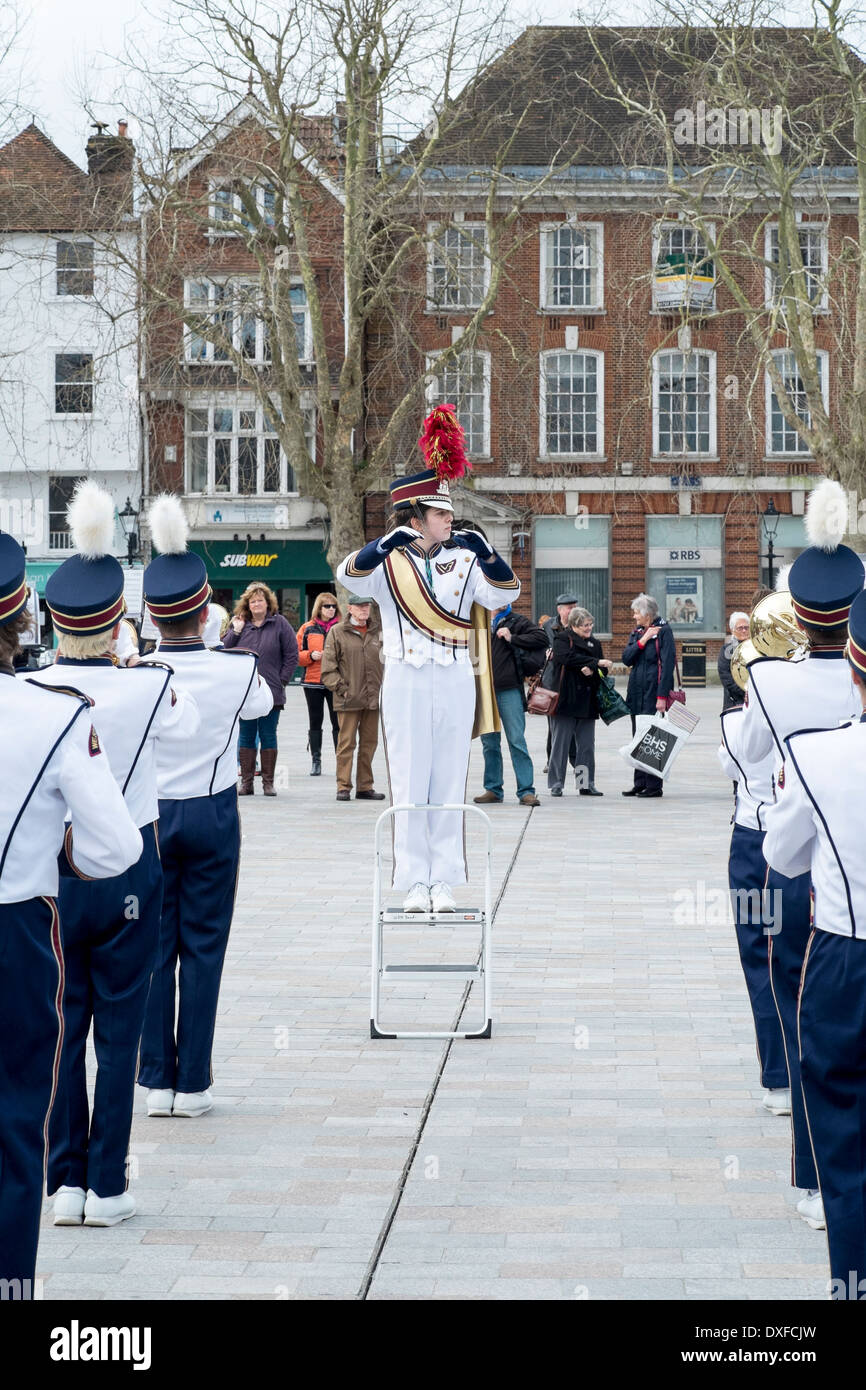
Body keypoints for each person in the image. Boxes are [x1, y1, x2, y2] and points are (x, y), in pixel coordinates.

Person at [30, 481, 200, 1230]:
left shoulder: (36, 686)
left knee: (63, 1026)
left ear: (54, 620)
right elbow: (190, 726)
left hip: (55, 876)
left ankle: (63, 1184)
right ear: (118, 623)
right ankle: (109, 1185)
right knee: (122, 1029)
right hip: (132, 865)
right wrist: (139, 657)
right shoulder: (152, 681)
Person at [0, 529, 142, 1293]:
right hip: (15, 928)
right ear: (21, 616)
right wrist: (66, 852)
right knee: (16, 1119)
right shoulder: (53, 712)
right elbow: (117, 847)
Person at [336, 403, 519, 914]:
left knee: (448, 775)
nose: (450, 519)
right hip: (407, 676)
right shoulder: (387, 563)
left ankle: (445, 879)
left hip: (456, 676)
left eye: (449, 513)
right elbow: (347, 575)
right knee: (411, 777)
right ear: (415, 517)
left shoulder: (465, 559)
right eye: (441, 513)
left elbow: (505, 594)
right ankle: (415, 879)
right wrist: (381, 543)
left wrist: (488, 554)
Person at [741, 479, 864, 1227]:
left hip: (800, 853)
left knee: (806, 1017)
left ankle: (816, 1182)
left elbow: (747, 755)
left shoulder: (767, 679)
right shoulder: (853, 687)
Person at [137, 495, 273, 1120]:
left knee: (154, 949)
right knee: (205, 949)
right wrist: (226, 640)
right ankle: (193, 1083)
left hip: (153, 817)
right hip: (214, 815)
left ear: (153, 616)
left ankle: (155, 1079)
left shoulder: (138, 672)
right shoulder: (236, 666)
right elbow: (263, 708)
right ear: (205, 609)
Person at [763, 587, 866, 1294]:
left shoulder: (819, 754)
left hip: (846, 955)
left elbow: (783, 854)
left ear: (857, 672)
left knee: (845, 1136)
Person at [718, 689, 789, 1117]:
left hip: (753, 840)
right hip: (811, 841)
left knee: (760, 958)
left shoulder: (732, 719)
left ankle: (780, 1078)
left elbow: (730, 765)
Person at [223, 583, 298, 797]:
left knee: (268, 735)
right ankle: (246, 783)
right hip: (245, 692)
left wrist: (281, 680)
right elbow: (223, 650)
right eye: (253, 601)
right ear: (247, 604)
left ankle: (268, 783)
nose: (257, 604)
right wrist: (235, 631)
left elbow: (292, 655)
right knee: (245, 736)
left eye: (260, 600)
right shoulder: (240, 624)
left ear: (268, 603)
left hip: (271, 692)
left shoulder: (280, 623)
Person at [474, 602, 546, 806]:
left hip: (509, 689)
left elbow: (542, 638)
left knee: (516, 740)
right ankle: (493, 789)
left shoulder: (516, 621)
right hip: (485, 691)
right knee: (489, 743)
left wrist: (512, 637)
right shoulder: (479, 620)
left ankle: (526, 790)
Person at [320, 595, 385, 802]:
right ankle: (343, 786)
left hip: (373, 699)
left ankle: (365, 786)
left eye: (366, 606)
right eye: (360, 606)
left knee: (369, 744)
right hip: (348, 699)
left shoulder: (378, 631)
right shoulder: (337, 632)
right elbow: (328, 669)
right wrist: (343, 689)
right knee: (346, 744)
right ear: (349, 608)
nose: (364, 609)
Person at [547, 606, 612, 797]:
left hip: (587, 702)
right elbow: (565, 657)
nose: (589, 628)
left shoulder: (594, 643)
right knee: (560, 744)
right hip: (565, 700)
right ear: (574, 625)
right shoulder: (562, 639)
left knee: (586, 746)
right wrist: (594, 663)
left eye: (591, 624)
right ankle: (556, 784)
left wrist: (594, 670)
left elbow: (604, 671)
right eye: (585, 625)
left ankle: (585, 784)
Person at [621, 593, 676, 798]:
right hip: (637, 692)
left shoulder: (664, 632)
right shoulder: (638, 632)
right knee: (638, 737)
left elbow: (668, 664)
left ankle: (654, 785)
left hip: (654, 692)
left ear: (647, 614)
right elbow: (626, 658)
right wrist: (643, 639)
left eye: (636, 613)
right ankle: (640, 782)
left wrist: (662, 696)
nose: (634, 616)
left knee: (653, 738)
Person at [296, 592, 342, 776]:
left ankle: (342, 761)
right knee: (315, 722)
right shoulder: (307, 628)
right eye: (327, 606)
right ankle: (316, 761)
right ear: (319, 608)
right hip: (312, 682)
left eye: (333, 606)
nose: (331, 609)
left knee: (338, 723)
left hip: (335, 682)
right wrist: (310, 656)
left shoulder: (341, 627)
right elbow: (295, 655)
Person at [542, 592, 580, 775]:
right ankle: (551, 761)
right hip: (553, 681)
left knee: (572, 725)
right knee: (553, 725)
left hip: (573, 681)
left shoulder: (580, 623)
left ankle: (575, 761)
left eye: (575, 607)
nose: (573, 610)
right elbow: (543, 646)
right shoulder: (549, 625)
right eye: (570, 608)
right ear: (560, 609)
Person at [718, 611, 749, 710]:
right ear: (732, 630)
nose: (744, 630)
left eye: (746, 627)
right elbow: (726, 677)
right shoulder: (727, 650)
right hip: (734, 701)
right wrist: (745, 692)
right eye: (740, 628)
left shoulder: (756, 647)